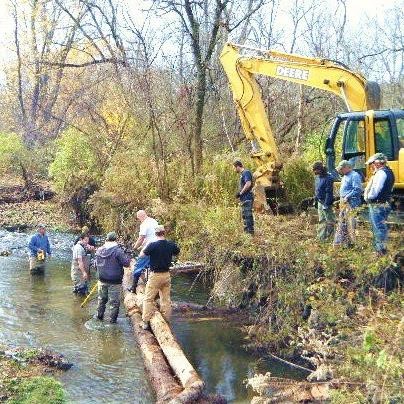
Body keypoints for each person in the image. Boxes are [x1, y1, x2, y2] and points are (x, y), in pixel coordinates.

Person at [140, 225, 180, 330]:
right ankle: (166, 320)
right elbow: (177, 252)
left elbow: (142, 255)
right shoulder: (171, 245)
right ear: (164, 233)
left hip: (155, 276)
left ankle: (145, 322)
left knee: (148, 299)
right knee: (166, 299)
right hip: (166, 275)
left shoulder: (152, 245)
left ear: (155, 234)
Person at [95, 231, 131, 323]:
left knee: (101, 300)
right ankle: (112, 322)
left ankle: (99, 318)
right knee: (114, 303)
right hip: (114, 281)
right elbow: (126, 263)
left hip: (101, 279)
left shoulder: (99, 250)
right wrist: (128, 253)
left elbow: (95, 264)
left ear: (107, 239)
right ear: (115, 239)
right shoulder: (118, 251)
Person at [364, 153, 395, 256]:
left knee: (378, 227)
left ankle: (381, 252)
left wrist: (368, 197)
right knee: (380, 226)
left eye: (372, 163)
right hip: (383, 203)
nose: (371, 166)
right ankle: (381, 250)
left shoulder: (381, 173)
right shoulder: (389, 172)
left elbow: (376, 190)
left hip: (377, 204)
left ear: (377, 163)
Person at [333, 160, 363, 247]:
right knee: (342, 222)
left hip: (350, 202)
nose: (340, 171)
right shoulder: (345, 176)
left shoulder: (354, 176)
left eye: (342, 169)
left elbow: (358, 189)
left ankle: (353, 243)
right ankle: (344, 243)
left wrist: (347, 196)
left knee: (350, 223)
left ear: (347, 167)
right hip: (344, 201)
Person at [128, 210, 158, 293]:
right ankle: (153, 288)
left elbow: (141, 238)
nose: (139, 220)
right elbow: (150, 236)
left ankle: (133, 288)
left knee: (138, 266)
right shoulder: (154, 221)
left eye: (138, 218)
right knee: (152, 267)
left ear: (141, 216)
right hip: (157, 247)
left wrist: (134, 247)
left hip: (149, 248)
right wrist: (141, 246)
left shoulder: (144, 224)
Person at [312, 161, 335, 241]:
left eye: (316, 170)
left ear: (320, 169)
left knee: (330, 221)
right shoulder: (318, 177)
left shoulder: (329, 178)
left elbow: (329, 192)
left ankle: (332, 238)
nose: (315, 172)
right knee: (321, 220)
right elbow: (317, 189)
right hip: (320, 202)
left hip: (326, 202)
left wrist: (326, 204)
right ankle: (321, 238)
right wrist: (316, 200)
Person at [233, 160, 254, 234]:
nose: (234, 170)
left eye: (234, 168)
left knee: (248, 215)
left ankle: (250, 233)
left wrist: (240, 193)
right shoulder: (242, 174)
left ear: (238, 166)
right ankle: (246, 233)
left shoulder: (246, 172)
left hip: (247, 198)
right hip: (244, 198)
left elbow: (248, 183)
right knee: (245, 216)